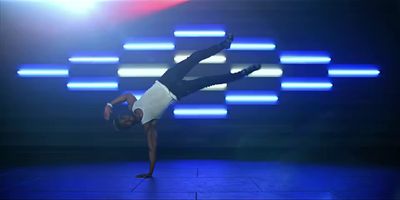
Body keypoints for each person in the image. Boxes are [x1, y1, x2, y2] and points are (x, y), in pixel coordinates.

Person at [103, 34, 261, 178]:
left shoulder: (132, 104)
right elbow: (152, 149)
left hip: (166, 80)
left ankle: (223, 45)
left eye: (122, 118)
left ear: (124, 115)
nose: (126, 120)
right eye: (125, 123)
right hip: (177, 91)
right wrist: (150, 172)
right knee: (209, 80)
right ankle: (243, 73)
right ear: (129, 126)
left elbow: (126, 95)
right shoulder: (148, 126)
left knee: (194, 58)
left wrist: (109, 104)